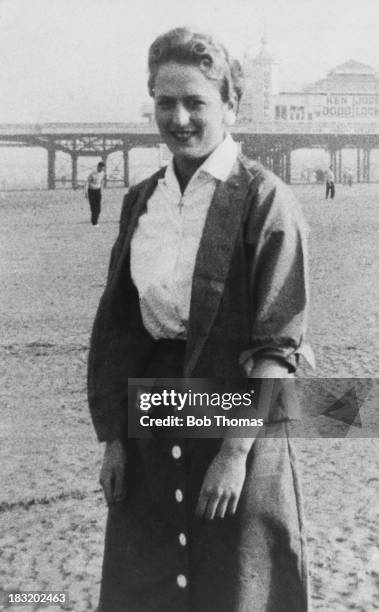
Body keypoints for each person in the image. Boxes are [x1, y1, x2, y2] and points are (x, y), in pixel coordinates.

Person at [88, 27, 311, 612]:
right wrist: (115, 438)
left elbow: (278, 340)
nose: (179, 118)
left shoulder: (265, 199)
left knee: (235, 582)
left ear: (231, 105)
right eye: (166, 102)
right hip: (152, 420)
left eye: (196, 102)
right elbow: (118, 328)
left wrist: (235, 453)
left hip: (239, 419)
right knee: (151, 583)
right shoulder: (142, 200)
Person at [84, 161, 106, 226]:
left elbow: (102, 182)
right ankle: (94, 222)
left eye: (103, 168)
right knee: (93, 207)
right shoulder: (92, 174)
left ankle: (94, 221)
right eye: (101, 168)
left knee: (98, 208)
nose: (101, 169)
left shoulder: (103, 173)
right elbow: (86, 183)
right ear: (98, 167)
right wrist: (86, 193)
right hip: (91, 191)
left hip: (98, 191)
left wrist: (101, 191)